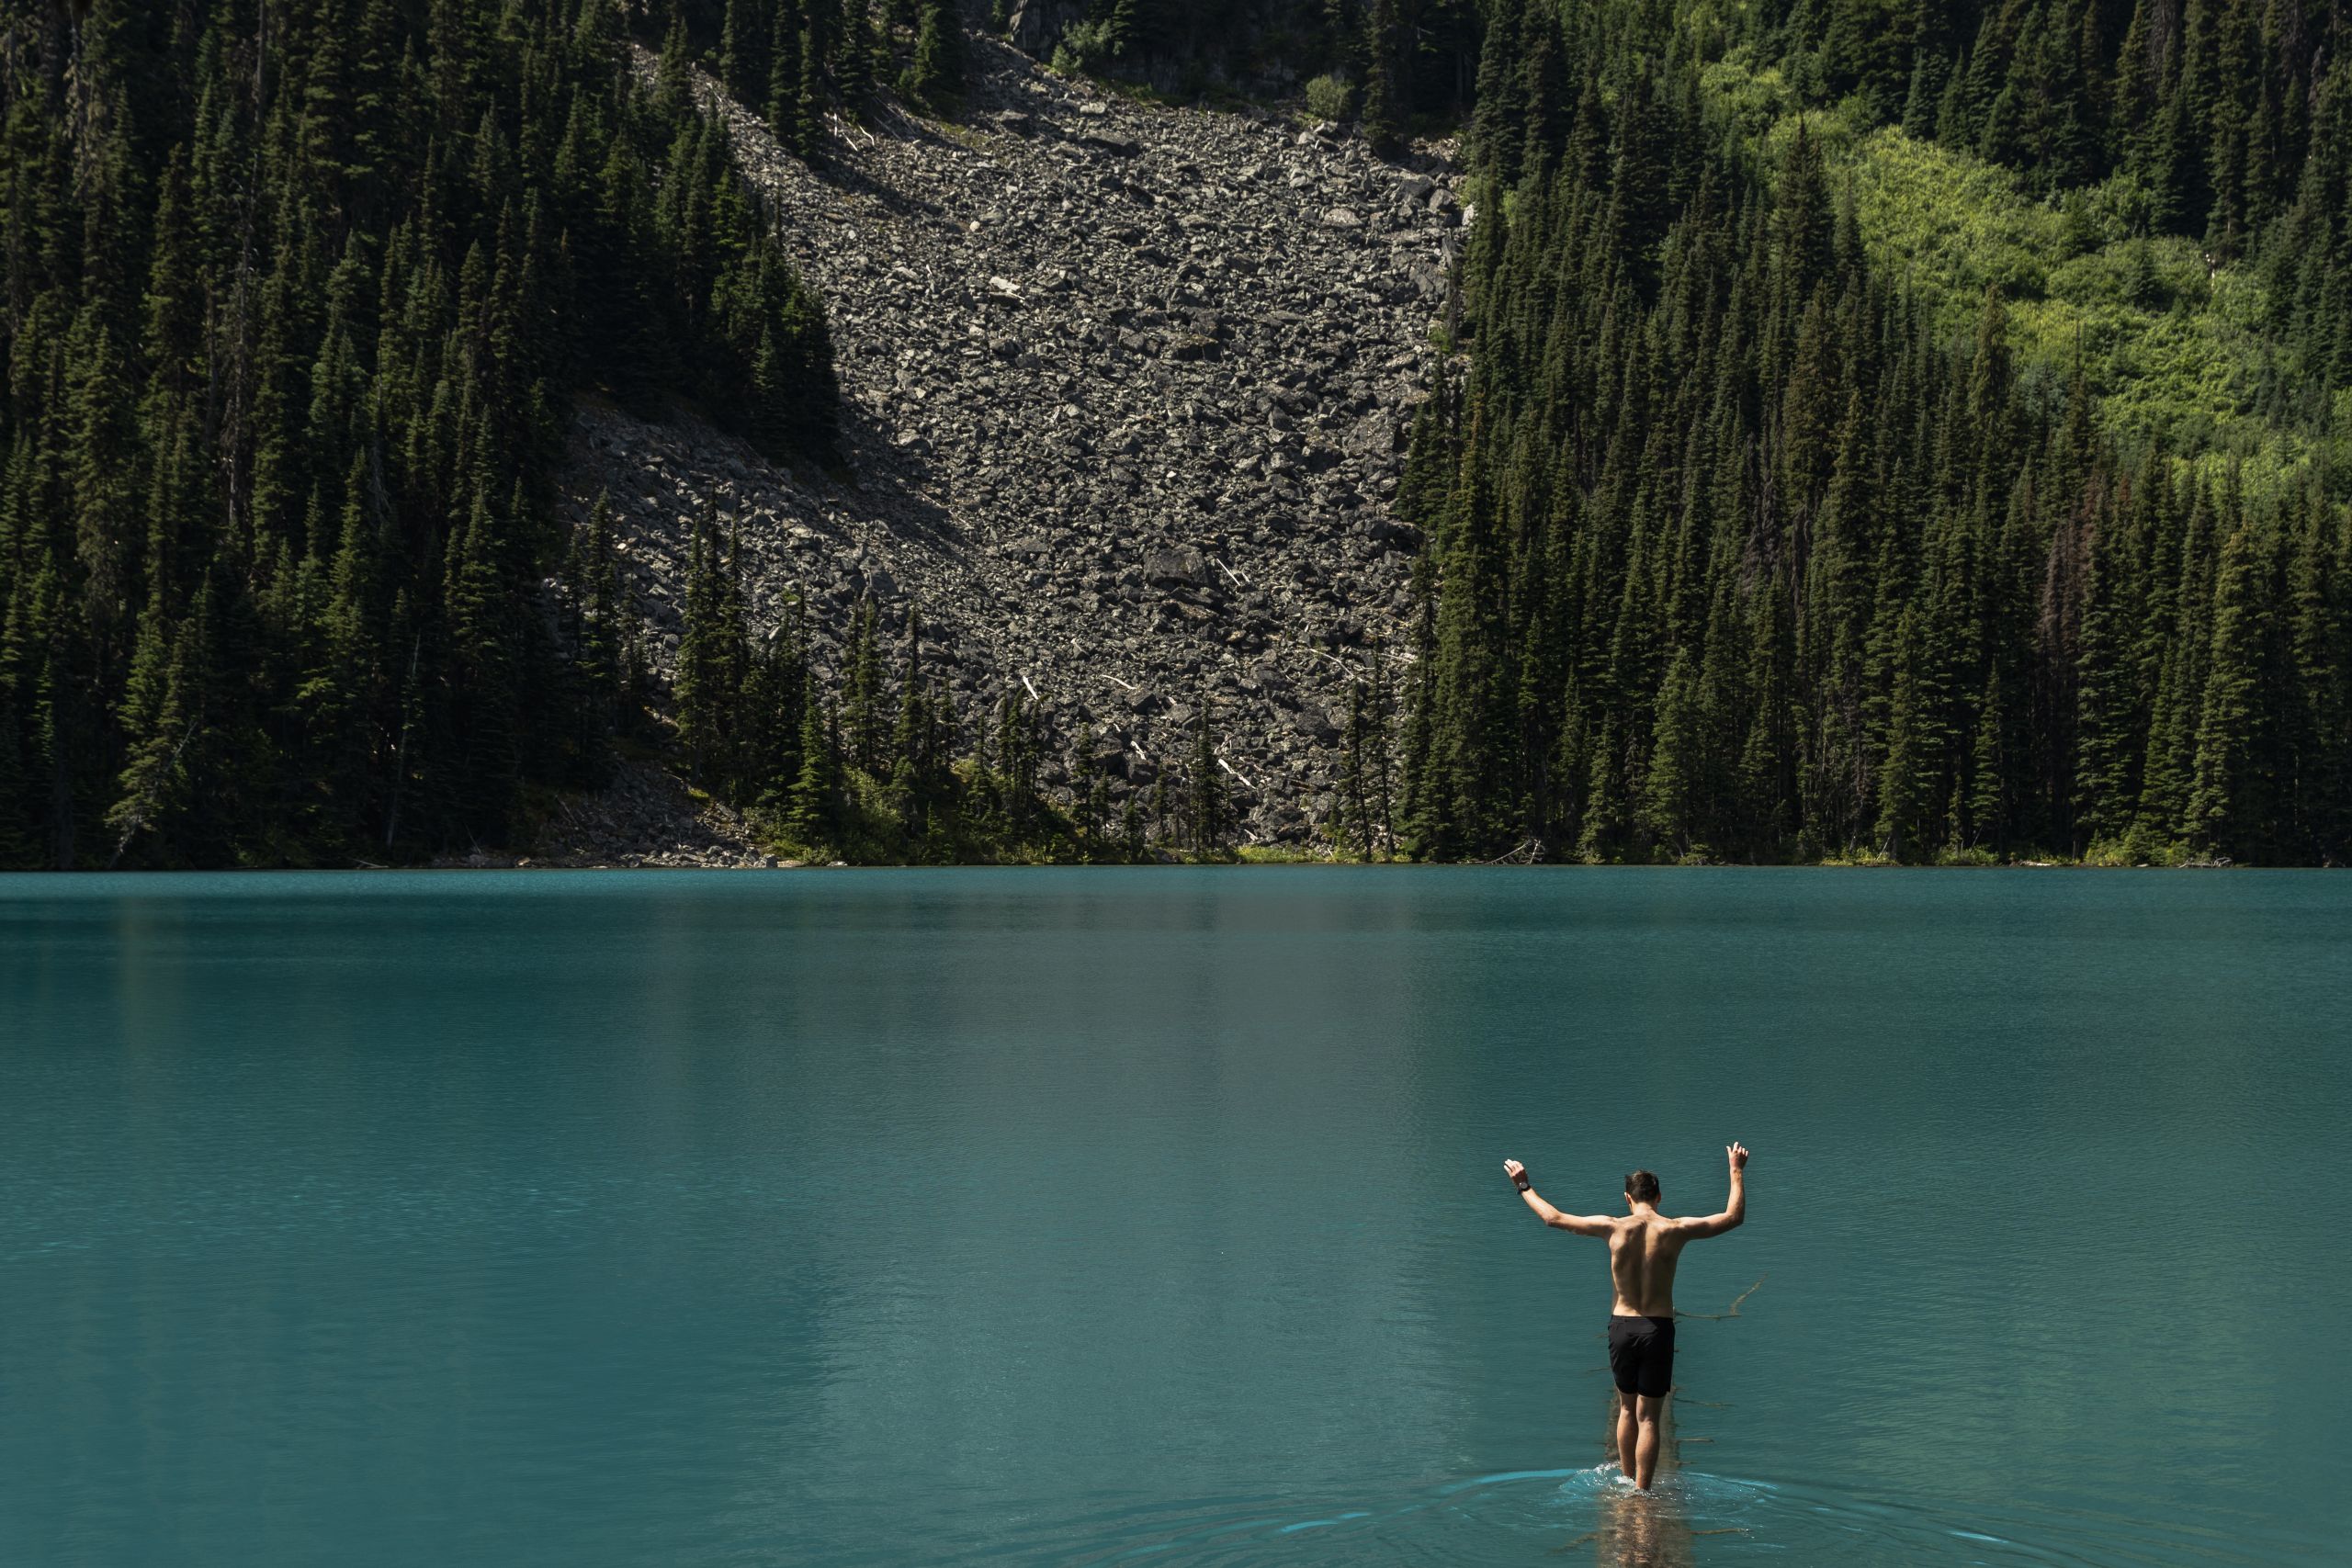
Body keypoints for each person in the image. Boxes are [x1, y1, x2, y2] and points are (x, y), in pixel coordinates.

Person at [1501, 1144, 1749, 1490]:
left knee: (1627, 1409)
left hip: (1622, 1327)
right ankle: (1642, 1492)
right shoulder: (1676, 1229)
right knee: (1650, 1417)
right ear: (1659, 1197)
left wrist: (1523, 1185)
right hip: (1658, 1329)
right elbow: (1733, 1218)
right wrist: (1736, 1169)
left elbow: (1552, 1218)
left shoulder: (1613, 1227)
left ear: (1627, 1199)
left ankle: (1625, 1479)